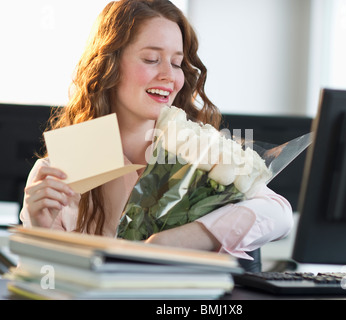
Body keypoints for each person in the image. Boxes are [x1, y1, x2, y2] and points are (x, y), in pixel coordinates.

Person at [20, 0, 293, 261]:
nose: (169, 76)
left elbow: (278, 214)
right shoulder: (63, 169)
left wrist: (190, 236)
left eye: (176, 63)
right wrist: (41, 231)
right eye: (151, 59)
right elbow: (45, 286)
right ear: (108, 66)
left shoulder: (197, 151)